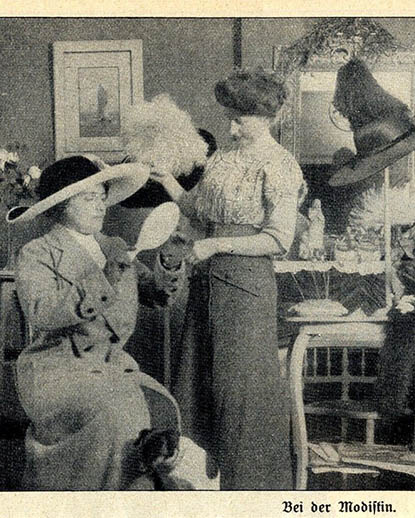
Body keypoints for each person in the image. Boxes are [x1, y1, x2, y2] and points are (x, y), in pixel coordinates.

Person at [151, 68, 304, 489]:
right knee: (197, 385)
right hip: (207, 285)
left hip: (247, 288)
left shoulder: (279, 164)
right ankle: (203, 491)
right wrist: (165, 179)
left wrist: (215, 245)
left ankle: (250, 491)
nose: (231, 128)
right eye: (229, 118)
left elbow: (278, 239)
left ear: (266, 117)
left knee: (240, 394)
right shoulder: (222, 159)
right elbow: (196, 209)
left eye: (240, 119)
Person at [8, 155, 187, 490]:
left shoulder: (114, 246)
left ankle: (133, 497)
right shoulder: (37, 252)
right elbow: (40, 311)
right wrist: (103, 279)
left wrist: (171, 259)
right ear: (61, 206)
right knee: (116, 415)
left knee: (164, 408)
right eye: (89, 198)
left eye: (102, 197)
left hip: (113, 367)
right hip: (55, 370)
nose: (100, 206)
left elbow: (158, 294)